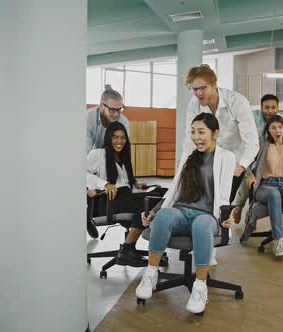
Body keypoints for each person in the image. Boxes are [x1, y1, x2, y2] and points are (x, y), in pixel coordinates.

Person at [135, 113, 237, 314]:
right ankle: (151, 273)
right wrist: (155, 211)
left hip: (207, 216)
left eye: (201, 132)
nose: (196, 137)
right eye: (193, 132)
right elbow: (174, 189)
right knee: (164, 217)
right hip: (181, 212)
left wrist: (228, 216)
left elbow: (225, 195)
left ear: (215, 133)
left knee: (200, 226)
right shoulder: (188, 155)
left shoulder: (227, 157)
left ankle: (200, 286)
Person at [86, 122, 167, 266]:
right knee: (161, 196)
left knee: (159, 195)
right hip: (111, 201)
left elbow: (124, 185)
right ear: (108, 138)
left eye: (123, 138)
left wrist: (137, 187)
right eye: (115, 137)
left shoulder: (122, 157)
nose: (119, 141)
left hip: (125, 197)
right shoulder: (98, 154)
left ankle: (128, 250)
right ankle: (129, 250)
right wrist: (104, 184)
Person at [235, 115, 283, 257]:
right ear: (268, 130)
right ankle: (279, 240)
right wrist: (250, 175)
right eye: (273, 128)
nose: (277, 131)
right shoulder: (263, 145)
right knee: (274, 194)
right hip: (266, 186)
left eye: (280, 127)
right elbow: (245, 161)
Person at [181, 64, 259, 203]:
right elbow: (189, 139)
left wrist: (241, 166)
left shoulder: (237, 102)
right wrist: (184, 165)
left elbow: (252, 142)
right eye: (195, 89)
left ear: (214, 84)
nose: (198, 93)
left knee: (223, 203)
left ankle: (221, 223)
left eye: (203, 88)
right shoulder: (194, 104)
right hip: (208, 159)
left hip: (234, 160)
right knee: (201, 201)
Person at [230, 94, 283, 224]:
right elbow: (242, 144)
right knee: (247, 183)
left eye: (273, 107)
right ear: (261, 107)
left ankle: (250, 214)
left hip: (272, 160)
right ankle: (239, 207)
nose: (270, 111)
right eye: (266, 107)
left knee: (261, 187)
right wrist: (248, 172)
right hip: (251, 157)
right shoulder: (251, 118)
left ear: (277, 108)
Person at [86, 85, 131, 154]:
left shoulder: (123, 122)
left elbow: (120, 152)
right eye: (112, 109)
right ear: (101, 106)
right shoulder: (86, 117)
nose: (116, 114)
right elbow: (84, 150)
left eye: (119, 109)